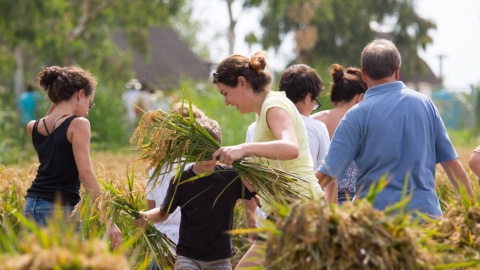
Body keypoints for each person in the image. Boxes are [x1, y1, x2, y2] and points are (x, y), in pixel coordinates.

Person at [315, 39, 473, 218]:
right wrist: (471, 210)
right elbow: (452, 163)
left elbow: (328, 175)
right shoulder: (425, 105)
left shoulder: (356, 115)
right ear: (397, 71)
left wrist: (292, 195)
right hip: (425, 219)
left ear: (364, 75)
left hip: (376, 224)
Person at [211, 52, 324, 269]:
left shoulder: (274, 106)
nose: (226, 102)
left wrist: (243, 149)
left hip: (300, 209)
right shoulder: (263, 112)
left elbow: (291, 148)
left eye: (226, 93)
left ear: (242, 83)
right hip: (285, 212)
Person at [136, 117, 256, 270]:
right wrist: (145, 216)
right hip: (188, 257)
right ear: (190, 149)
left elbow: (253, 191)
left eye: (212, 150)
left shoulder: (230, 177)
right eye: (201, 151)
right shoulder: (181, 180)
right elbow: (163, 213)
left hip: (220, 259)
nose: (207, 157)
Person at [23, 66, 122, 248]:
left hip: (31, 206)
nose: (87, 111)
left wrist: (61, 94)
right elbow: (85, 174)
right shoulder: (78, 125)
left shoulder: (33, 127)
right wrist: (108, 220)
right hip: (58, 209)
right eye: (89, 103)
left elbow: (52, 117)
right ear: (80, 94)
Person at [244, 64, 330, 227]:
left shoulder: (254, 127)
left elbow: (249, 178)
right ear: (307, 97)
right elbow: (327, 172)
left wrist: (250, 224)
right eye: (315, 102)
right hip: (306, 210)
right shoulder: (317, 127)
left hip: (270, 214)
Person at [145, 102, 206, 270]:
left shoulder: (156, 167)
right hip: (193, 251)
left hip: (162, 248)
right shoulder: (200, 166)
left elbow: (151, 209)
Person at [311, 64, 367, 204]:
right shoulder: (362, 123)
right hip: (354, 202)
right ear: (360, 97)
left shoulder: (315, 121)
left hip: (319, 197)